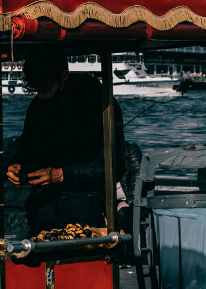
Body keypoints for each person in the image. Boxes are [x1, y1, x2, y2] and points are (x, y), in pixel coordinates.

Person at [7, 47, 125, 233]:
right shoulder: (38, 105)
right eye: (36, 90)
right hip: (41, 211)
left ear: (63, 75)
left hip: (84, 212)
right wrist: (18, 165)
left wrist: (63, 174)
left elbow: (115, 167)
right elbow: (27, 147)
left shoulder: (99, 101)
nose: (42, 95)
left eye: (46, 88)